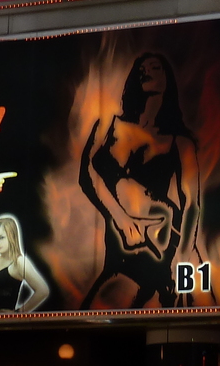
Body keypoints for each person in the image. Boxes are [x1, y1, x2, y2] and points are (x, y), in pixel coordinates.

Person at [78, 51, 205, 308]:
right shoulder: (107, 126)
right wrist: (121, 218)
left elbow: (191, 203)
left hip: (168, 241)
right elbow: (86, 174)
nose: (145, 72)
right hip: (125, 250)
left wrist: (181, 259)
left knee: (196, 315)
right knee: (95, 310)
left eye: (154, 67)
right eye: (140, 69)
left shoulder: (179, 142)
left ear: (167, 79)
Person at [0, 214, 50, 313]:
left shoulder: (19, 262)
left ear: (12, 237)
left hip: (3, 324)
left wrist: (18, 312)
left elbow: (43, 290)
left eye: (1, 238)